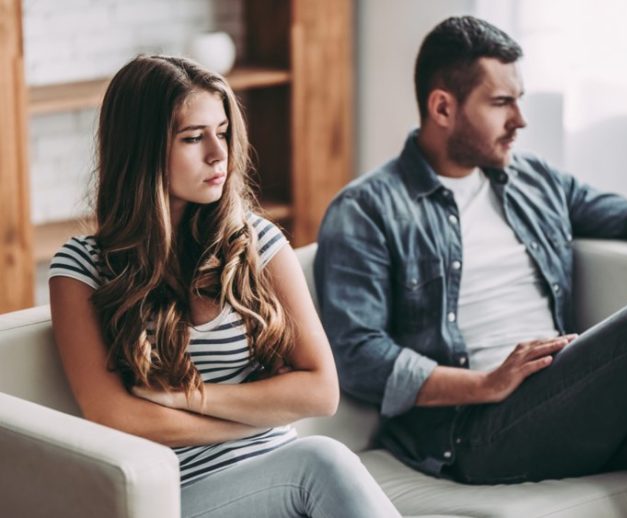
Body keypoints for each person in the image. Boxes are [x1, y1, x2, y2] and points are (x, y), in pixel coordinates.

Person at [315, 15, 627, 516]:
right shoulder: (367, 209)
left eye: (519, 99)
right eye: (500, 103)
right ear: (443, 107)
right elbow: (358, 355)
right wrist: (485, 384)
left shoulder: (531, 178)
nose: (521, 119)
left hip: (567, 403)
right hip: (475, 429)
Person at [49, 55, 400, 518]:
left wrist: (189, 398)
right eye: (193, 138)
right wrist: (253, 419)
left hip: (283, 478)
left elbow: (320, 392)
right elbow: (116, 416)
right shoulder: (80, 269)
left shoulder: (258, 242)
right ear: (142, 149)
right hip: (184, 492)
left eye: (223, 132)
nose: (219, 154)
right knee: (322, 459)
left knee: (317, 465)